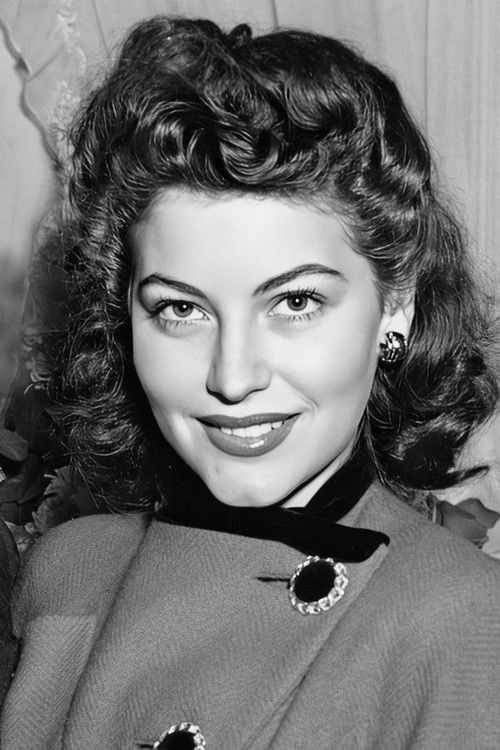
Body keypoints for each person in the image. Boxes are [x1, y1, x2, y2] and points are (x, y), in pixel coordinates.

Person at [1, 15, 499, 750]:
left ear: (395, 305)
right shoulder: (66, 577)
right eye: (180, 309)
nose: (232, 378)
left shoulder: (464, 624)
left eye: (295, 303)